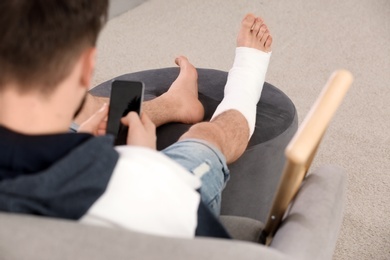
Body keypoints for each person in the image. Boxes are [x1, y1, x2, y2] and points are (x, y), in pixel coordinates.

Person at [0, 0, 272, 239]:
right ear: (87, 68)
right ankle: (242, 91)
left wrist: (79, 142)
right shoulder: (143, 185)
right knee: (205, 138)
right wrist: (145, 163)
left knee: (80, 109)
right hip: (142, 198)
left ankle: (172, 104)